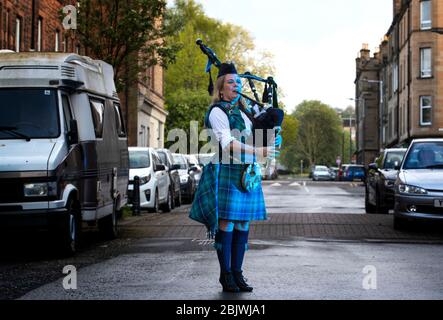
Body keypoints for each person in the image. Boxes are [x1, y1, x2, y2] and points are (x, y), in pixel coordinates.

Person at [190, 62, 282, 293]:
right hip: (227, 169)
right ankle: (226, 274)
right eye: (231, 82)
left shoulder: (244, 112)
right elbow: (229, 144)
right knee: (227, 222)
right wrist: (258, 152)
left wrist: (271, 140)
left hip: (246, 172)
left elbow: (255, 139)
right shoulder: (217, 112)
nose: (236, 85)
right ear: (221, 89)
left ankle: (238, 273)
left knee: (242, 222)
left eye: (238, 82)